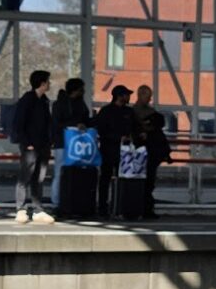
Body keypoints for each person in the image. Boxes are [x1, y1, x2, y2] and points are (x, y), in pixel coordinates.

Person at [11, 70, 56, 224]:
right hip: (30, 146)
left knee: (39, 178)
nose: (49, 84)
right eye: (48, 81)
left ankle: (37, 209)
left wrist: (49, 142)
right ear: (42, 83)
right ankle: (20, 208)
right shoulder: (27, 100)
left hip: (43, 146)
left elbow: (48, 123)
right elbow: (19, 123)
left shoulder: (44, 101)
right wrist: (27, 143)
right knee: (25, 176)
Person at [94, 84, 137, 217]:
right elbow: (101, 131)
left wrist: (135, 136)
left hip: (126, 151)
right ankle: (103, 207)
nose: (129, 97)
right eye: (126, 95)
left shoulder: (129, 112)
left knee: (125, 180)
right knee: (105, 178)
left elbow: (136, 127)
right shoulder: (106, 111)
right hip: (108, 149)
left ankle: (120, 207)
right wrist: (118, 138)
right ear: (119, 96)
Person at [50, 77, 90, 210]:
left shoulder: (67, 104)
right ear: (76, 90)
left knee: (62, 172)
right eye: (81, 90)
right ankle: (58, 202)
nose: (83, 92)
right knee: (61, 171)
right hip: (69, 142)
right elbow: (56, 124)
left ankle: (63, 201)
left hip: (67, 142)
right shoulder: (70, 104)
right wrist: (77, 125)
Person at [132, 85, 170, 219]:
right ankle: (146, 209)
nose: (149, 99)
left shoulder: (134, 113)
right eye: (148, 97)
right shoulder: (151, 114)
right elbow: (159, 125)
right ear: (141, 95)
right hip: (149, 151)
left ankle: (140, 208)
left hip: (142, 151)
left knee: (143, 180)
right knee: (148, 181)